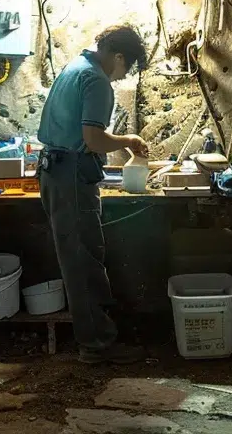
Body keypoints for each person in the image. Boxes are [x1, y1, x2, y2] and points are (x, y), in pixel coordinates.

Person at [36, 24, 152, 364]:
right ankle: (97, 345)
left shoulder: (74, 68)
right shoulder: (97, 80)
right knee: (83, 261)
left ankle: (96, 338)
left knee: (76, 256)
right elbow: (94, 140)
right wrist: (128, 140)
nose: (122, 75)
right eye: (126, 67)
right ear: (118, 56)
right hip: (71, 175)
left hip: (54, 171)